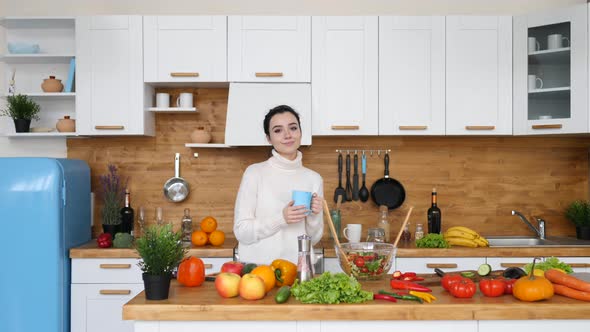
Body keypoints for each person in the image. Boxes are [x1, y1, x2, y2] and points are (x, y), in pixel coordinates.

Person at [233, 105, 324, 265]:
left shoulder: (313, 179)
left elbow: (313, 239)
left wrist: (315, 215)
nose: (287, 135)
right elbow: (242, 231)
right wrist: (281, 218)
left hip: (297, 270)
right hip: (258, 273)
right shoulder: (254, 173)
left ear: (300, 132)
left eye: (293, 128)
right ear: (269, 138)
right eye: (278, 130)